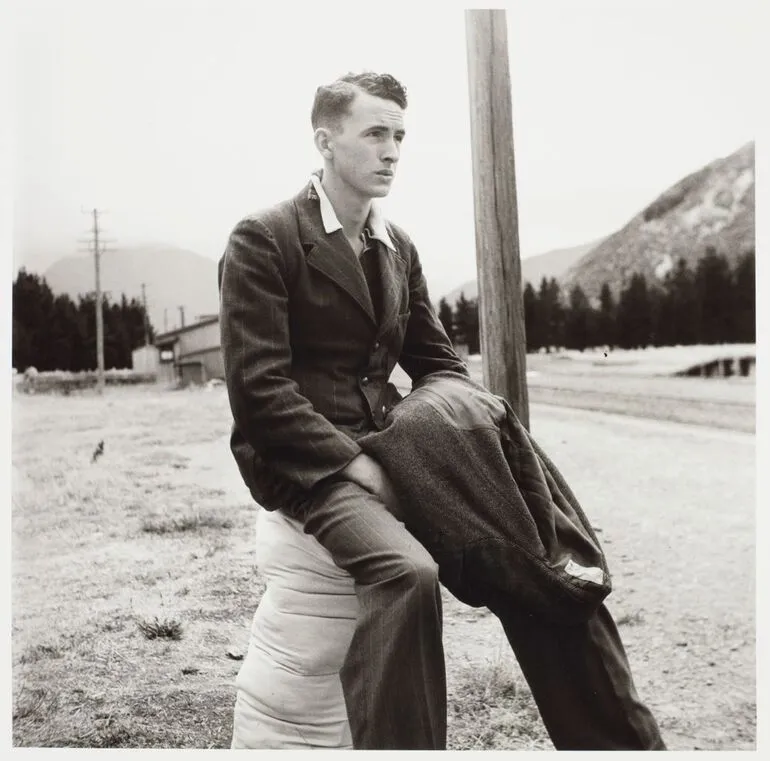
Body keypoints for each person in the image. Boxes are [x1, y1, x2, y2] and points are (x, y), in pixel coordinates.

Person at [218, 71, 665, 750]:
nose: (392, 150)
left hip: (394, 443)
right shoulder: (266, 236)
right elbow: (259, 392)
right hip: (302, 458)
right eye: (375, 133)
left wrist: (443, 446)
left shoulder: (397, 245)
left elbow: (440, 366)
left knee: (540, 562)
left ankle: (617, 741)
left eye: (400, 135)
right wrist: (358, 466)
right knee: (409, 572)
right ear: (326, 140)